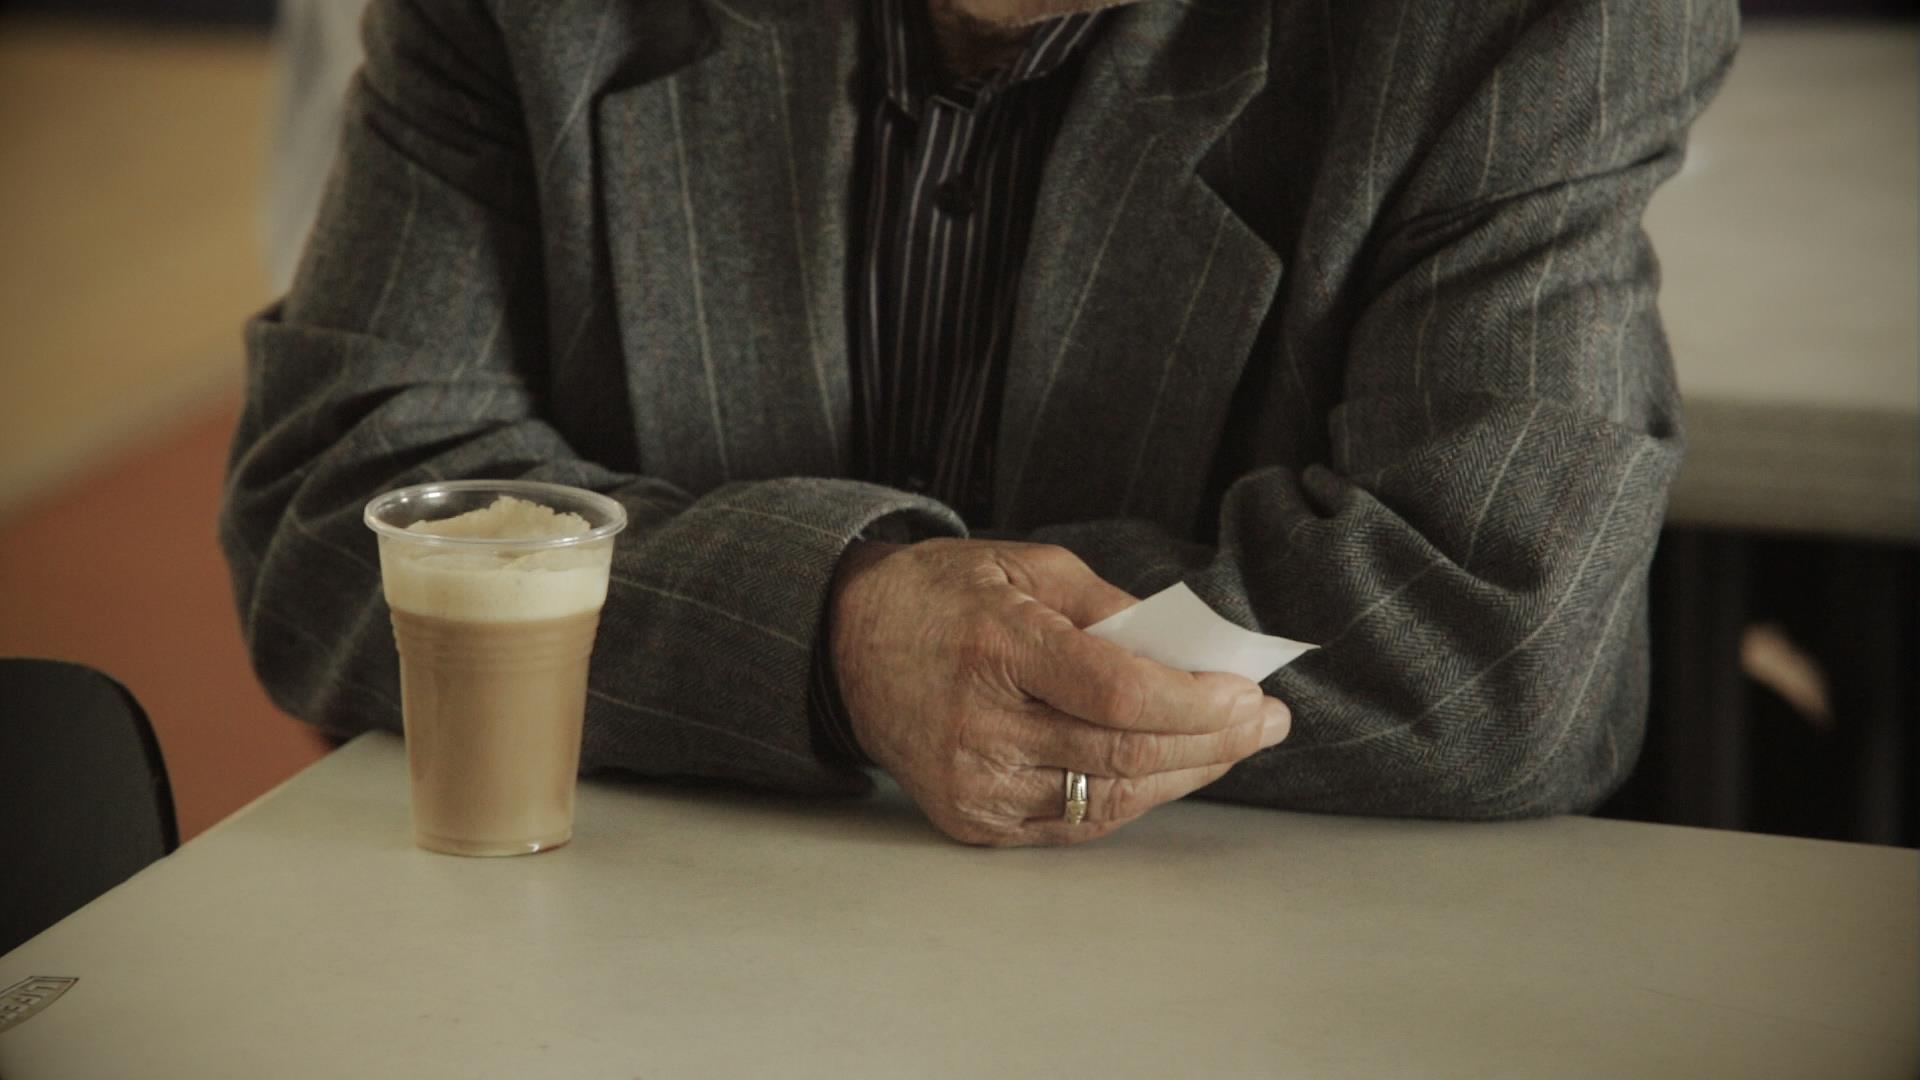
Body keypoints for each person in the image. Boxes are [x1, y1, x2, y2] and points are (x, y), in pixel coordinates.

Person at [220, 0, 1737, 846]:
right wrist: (836, 633)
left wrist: (948, 657)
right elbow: (337, 511)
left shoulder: (1518, 21)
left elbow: (1495, 635)